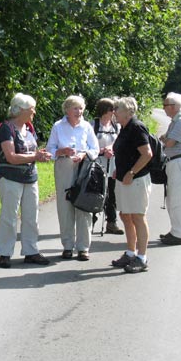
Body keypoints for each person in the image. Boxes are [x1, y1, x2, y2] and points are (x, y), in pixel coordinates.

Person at [0, 93, 52, 268]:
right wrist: (35, 156)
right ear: (20, 110)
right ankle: (5, 253)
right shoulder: (6, 128)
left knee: (31, 216)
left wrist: (39, 155)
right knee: (9, 216)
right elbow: (10, 157)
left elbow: (30, 152)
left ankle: (31, 251)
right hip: (10, 177)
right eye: (31, 109)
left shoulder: (29, 128)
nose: (34, 112)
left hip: (30, 177)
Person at [46, 95, 99, 261]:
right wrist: (61, 151)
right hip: (64, 167)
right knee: (65, 205)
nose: (79, 111)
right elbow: (50, 150)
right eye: (75, 108)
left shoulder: (86, 127)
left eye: (81, 108)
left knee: (83, 204)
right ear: (67, 110)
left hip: (83, 168)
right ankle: (67, 246)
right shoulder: (58, 126)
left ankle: (83, 248)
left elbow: (95, 148)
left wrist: (84, 154)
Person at [111, 97, 153, 273]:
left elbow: (147, 154)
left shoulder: (136, 127)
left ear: (128, 111)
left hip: (136, 180)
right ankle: (130, 252)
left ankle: (141, 258)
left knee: (137, 216)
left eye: (117, 109)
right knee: (125, 216)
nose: (114, 112)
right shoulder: (124, 128)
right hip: (123, 179)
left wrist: (131, 172)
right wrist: (119, 171)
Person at [159, 92, 181, 245]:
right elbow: (165, 139)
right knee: (172, 198)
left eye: (165, 105)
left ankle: (179, 234)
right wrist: (165, 139)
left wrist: (165, 139)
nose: (163, 108)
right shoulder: (176, 120)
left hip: (180, 161)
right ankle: (175, 230)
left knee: (177, 199)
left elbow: (170, 142)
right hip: (176, 161)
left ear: (173, 106)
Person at [91, 98, 123, 235]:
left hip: (112, 165)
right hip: (96, 165)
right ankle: (90, 222)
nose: (114, 112)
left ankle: (112, 222)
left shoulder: (116, 126)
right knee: (94, 193)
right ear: (105, 110)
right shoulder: (93, 125)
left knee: (111, 193)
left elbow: (120, 143)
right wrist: (102, 150)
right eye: (112, 109)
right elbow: (88, 145)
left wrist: (112, 149)